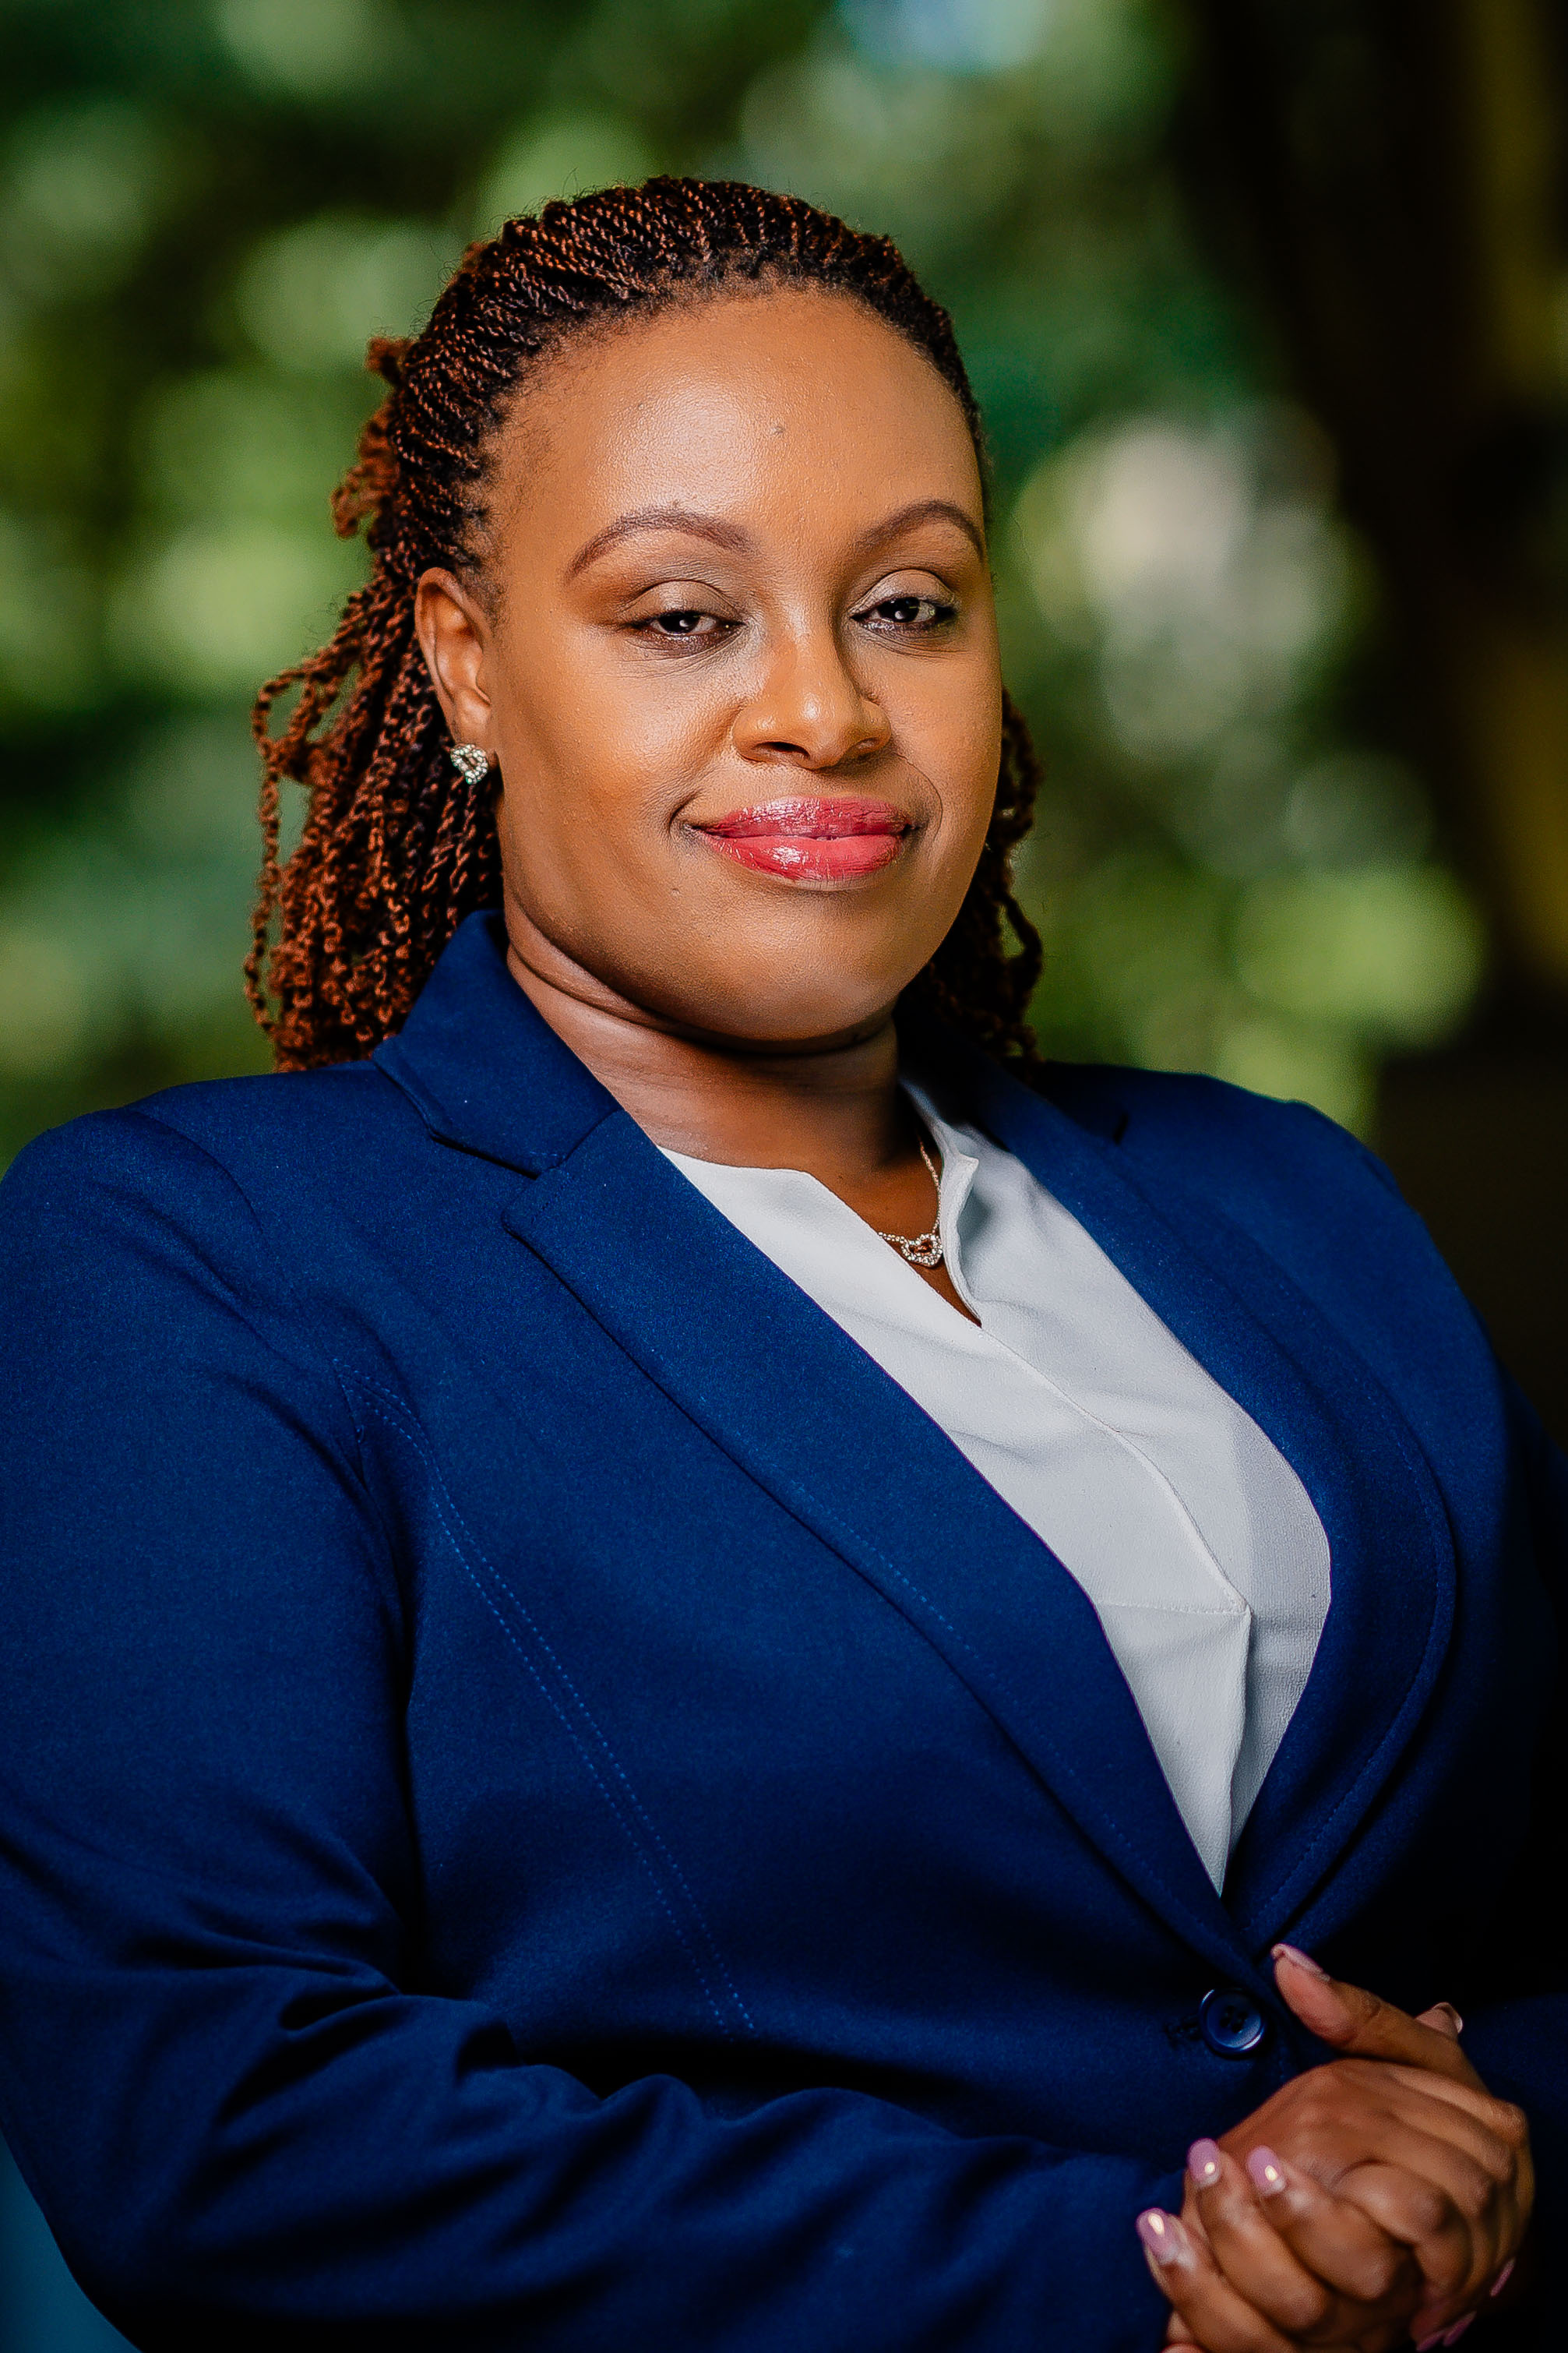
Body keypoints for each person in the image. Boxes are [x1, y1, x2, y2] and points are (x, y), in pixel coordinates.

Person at [0, 178, 1558, 2353]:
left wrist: (1486, 2142)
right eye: (680, 616)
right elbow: (228, 2123)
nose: (823, 707)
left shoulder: (1287, 1198)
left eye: (909, 603)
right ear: (465, 658)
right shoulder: (196, 1266)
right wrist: (1164, 2266)